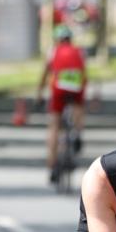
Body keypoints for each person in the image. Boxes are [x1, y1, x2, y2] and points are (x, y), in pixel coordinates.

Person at [37, 24, 87, 187]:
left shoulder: (53, 51)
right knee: (78, 106)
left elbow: (45, 73)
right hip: (76, 85)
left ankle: (52, 166)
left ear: (57, 39)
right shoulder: (78, 51)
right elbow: (84, 73)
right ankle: (78, 133)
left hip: (58, 87)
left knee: (54, 125)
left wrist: (39, 93)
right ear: (70, 39)